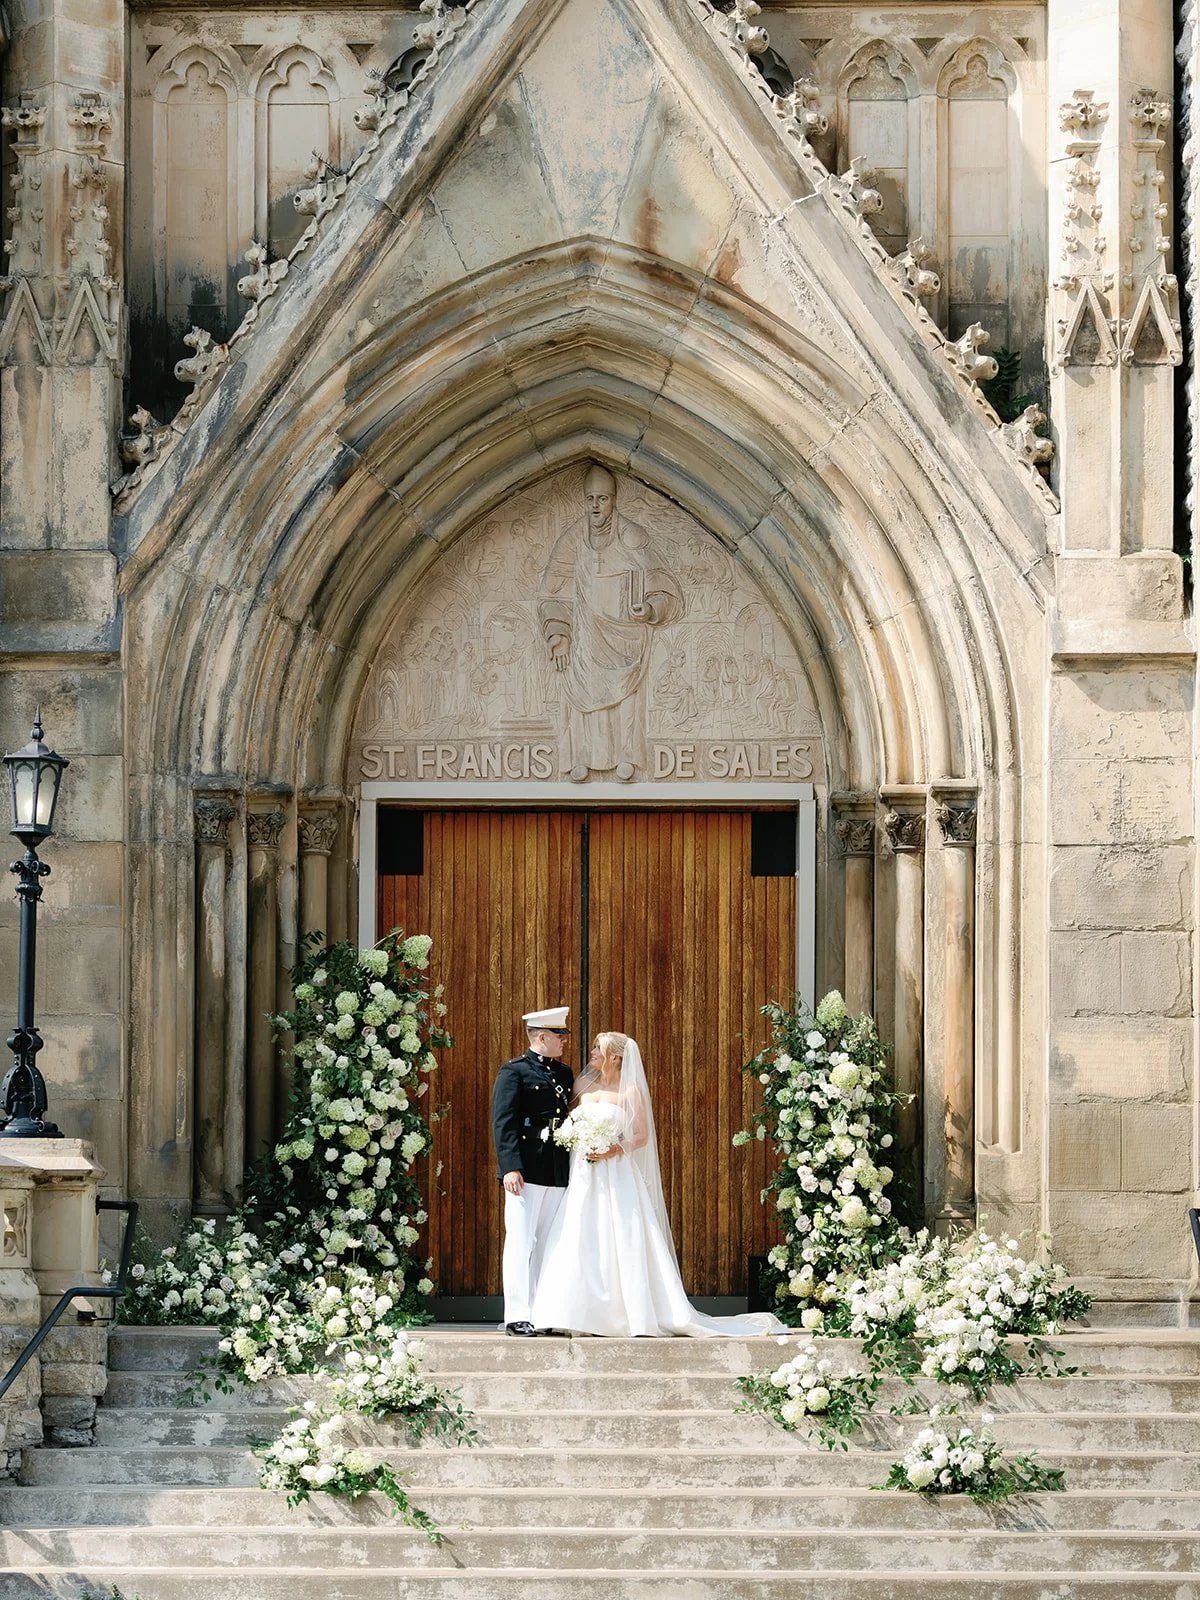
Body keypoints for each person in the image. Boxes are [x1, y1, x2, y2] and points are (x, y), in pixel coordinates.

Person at [529, 1031, 786, 1338]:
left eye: (599, 1048)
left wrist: (612, 1148)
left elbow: (641, 1136)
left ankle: (623, 1315)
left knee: (619, 1235)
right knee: (577, 1233)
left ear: (615, 1056)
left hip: (615, 1173)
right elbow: (567, 1120)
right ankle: (570, 1312)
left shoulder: (630, 1092)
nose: (592, 1052)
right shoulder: (582, 1084)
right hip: (583, 1173)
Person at [538, 465, 682, 781]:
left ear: (614, 500)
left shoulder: (633, 536)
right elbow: (553, 591)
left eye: (602, 498)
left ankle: (627, 756)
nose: (595, 506)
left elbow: (664, 586)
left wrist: (651, 608)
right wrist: (558, 631)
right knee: (581, 692)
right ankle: (579, 756)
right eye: (590, 498)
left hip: (625, 636)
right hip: (584, 635)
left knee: (626, 700)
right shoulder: (572, 540)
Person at [491, 1006, 575, 1336]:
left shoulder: (564, 1074)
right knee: (521, 1242)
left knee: (550, 1244)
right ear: (542, 1037)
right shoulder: (514, 1071)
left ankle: (544, 1312)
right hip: (526, 1170)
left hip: (556, 1168)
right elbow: (504, 1123)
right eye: (559, 1035)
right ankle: (517, 1315)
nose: (564, 1041)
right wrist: (510, 1167)